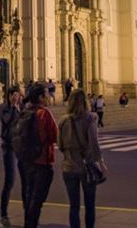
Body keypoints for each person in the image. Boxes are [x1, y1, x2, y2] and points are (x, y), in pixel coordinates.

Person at [59, 89, 105, 228]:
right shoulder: (90, 118)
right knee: (90, 205)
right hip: (86, 168)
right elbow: (93, 144)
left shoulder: (63, 120)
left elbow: (60, 145)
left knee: (74, 206)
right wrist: (101, 163)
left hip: (69, 166)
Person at [20, 83, 58, 228]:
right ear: (41, 97)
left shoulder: (25, 112)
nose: (48, 96)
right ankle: (32, 224)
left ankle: (28, 223)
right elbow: (54, 136)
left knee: (29, 195)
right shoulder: (44, 113)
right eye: (46, 94)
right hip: (43, 160)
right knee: (38, 199)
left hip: (27, 160)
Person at [0, 86, 23, 228]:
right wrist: (13, 108)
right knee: (10, 181)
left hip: (21, 148)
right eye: (13, 95)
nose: (16, 97)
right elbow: (7, 121)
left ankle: (29, 214)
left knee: (26, 182)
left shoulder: (21, 108)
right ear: (8, 96)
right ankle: (3, 214)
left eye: (17, 95)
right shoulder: (4, 108)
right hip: (9, 148)